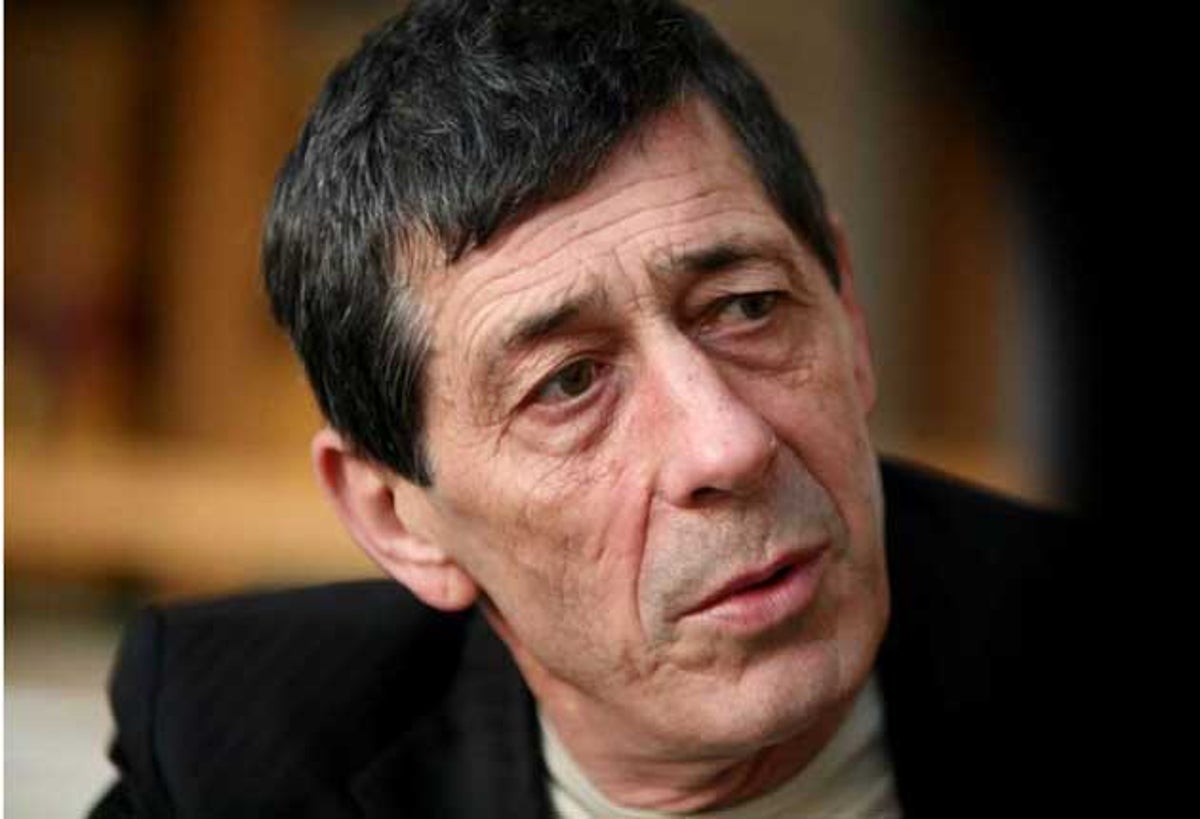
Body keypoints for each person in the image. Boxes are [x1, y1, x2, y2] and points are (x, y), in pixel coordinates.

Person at [90, 1, 1089, 816]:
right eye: (568, 383)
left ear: (849, 316)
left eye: (747, 307)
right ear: (399, 519)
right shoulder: (242, 755)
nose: (726, 444)